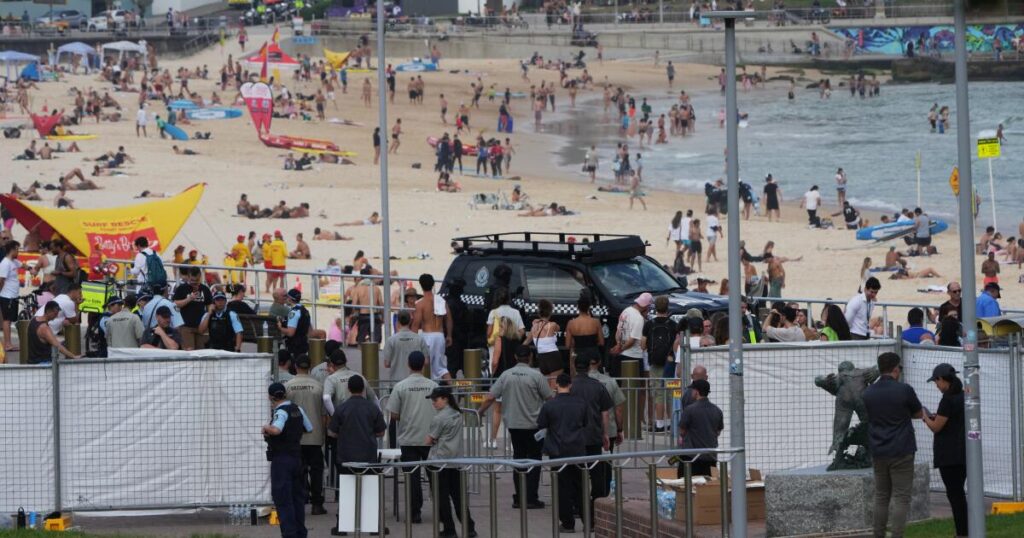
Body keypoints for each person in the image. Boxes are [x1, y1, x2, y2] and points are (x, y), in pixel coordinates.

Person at [477, 345, 552, 509]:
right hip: (534, 425)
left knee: (518, 459)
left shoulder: (506, 375)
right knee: (534, 460)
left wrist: (480, 411)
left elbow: (490, 396)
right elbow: (549, 398)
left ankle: (519, 497)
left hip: (514, 425)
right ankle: (531, 497)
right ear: (530, 357)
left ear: (515, 358)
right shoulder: (537, 376)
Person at [862, 352, 923, 538]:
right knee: (901, 497)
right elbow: (919, 413)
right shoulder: (904, 390)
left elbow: (869, 416)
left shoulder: (868, 392)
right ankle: (897, 535)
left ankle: (878, 534)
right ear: (896, 368)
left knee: (881, 496)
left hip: (879, 450)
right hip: (902, 449)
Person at [385, 351, 438, 524]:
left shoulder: (400, 387)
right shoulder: (433, 386)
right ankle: (441, 510)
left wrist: (406, 416)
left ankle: (415, 512)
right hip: (430, 437)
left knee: (412, 477)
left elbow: (393, 414)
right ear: (424, 364)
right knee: (435, 476)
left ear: (408, 364)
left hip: (408, 437)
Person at [536, 373, 588, 533]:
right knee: (581, 486)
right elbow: (585, 423)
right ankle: (588, 520)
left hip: (558, 450)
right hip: (578, 449)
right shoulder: (581, 403)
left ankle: (567, 523)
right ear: (570, 384)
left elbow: (541, 424)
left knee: (561, 488)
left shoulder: (550, 405)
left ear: (556, 385)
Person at [921, 363, 967, 538]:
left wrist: (925, 416)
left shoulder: (947, 399)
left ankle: (962, 533)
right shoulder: (963, 396)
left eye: (936, 381)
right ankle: (965, 530)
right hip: (963, 453)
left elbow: (936, 427)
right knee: (958, 494)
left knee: (955, 496)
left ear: (942, 379)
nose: (936, 385)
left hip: (949, 456)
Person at [263, 382, 314, 538]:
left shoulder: (280, 412)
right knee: (297, 498)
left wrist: (266, 428)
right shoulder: (297, 408)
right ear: (284, 394)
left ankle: (290, 534)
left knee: (283, 499)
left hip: (282, 460)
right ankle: (300, 533)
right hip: (297, 458)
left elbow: (276, 430)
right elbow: (309, 428)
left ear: (271, 397)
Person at [425, 386, 477, 538]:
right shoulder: (457, 414)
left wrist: (433, 440)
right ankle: (469, 528)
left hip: (439, 462)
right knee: (458, 497)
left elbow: (429, 440)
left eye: (435, 400)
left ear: (445, 399)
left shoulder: (439, 418)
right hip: (456, 461)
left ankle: (449, 529)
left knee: (442, 498)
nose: (433, 403)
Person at [570, 352, 614, 523]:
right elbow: (605, 414)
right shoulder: (598, 386)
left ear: (575, 366)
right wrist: (605, 434)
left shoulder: (570, 386)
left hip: (574, 437)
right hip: (594, 435)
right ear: (589, 366)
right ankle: (596, 504)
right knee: (597, 474)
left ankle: (577, 506)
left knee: (576, 473)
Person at [284, 355, 328, 516]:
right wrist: (323, 433)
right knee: (316, 470)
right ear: (310, 367)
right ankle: (317, 503)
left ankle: (300, 499)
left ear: (295, 366)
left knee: (297, 470)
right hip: (315, 435)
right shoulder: (319, 386)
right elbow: (324, 415)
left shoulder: (288, 386)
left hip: (295, 437)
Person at [327, 375, 386, 475]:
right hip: (368, 456)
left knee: (347, 487)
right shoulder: (372, 408)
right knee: (367, 487)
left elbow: (331, 433)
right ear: (363, 388)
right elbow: (381, 432)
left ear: (349, 389)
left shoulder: (341, 408)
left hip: (346, 457)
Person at [677, 379, 724, 478]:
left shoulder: (689, 410)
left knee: (687, 486)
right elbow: (718, 431)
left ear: (696, 392)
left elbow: (682, 430)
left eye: (693, 390)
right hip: (710, 457)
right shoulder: (717, 410)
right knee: (707, 487)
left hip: (691, 456)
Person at [643, 295, 676, 432]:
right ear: (668, 307)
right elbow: (676, 345)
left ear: (655, 308)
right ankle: (670, 422)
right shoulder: (673, 325)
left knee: (658, 393)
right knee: (669, 393)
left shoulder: (649, 324)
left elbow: (643, 344)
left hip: (655, 363)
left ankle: (660, 424)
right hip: (669, 363)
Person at [411, 273, 451, 380]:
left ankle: (428, 390)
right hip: (440, 335)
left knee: (425, 365)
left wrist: (413, 340)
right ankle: (454, 391)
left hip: (427, 336)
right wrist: (449, 336)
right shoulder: (441, 301)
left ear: (421, 285)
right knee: (441, 368)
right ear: (433, 284)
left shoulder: (420, 304)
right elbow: (449, 319)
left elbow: (416, 324)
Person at [382, 311, 431, 381]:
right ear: (410, 321)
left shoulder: (391, 340)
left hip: (396, 381)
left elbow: (387, 364)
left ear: (398, 322)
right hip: (415, 382)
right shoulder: (419, 339)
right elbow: (426, 361)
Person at [610, 292, 650, 378]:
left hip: (621, 355)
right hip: (633, 356)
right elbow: (632, 340)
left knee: (622, 386)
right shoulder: (638, 318)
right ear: (646, 306)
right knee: (635, 387)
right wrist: (620, 349)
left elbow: (618, 331)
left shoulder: (626, 311)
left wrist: (618, 345)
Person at [172, 266, 213, 350]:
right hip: (186, 326)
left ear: (200, 277)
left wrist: (208, 315)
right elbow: (176, 304)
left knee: (201, 352)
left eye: (197, 281)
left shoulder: (205, 289)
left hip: (201, 327)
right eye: (192, 280)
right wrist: (189, 299)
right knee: (189, 353)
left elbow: (209, 305)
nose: (194, 283)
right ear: (188, 277)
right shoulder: (182, 288)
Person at [528, 299, 562, 384]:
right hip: (553, 356)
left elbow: (527, 340)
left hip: (541, 357)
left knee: (545, 386)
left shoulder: (534, 326)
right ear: (550, 312)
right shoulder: (552, 325)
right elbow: (558, 328)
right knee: (555, 384)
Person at [0, 241, 21, 351]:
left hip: (13, 296)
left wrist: (32, 269)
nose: (18, 252)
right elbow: (1, 280)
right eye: (17, 249)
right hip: (7, 296)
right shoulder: (5, 263)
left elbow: (24, 265)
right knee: (6, 320)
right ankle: (8, 344)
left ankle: (9, 343)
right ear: (12, 249)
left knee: (10, 319)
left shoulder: (14, 261)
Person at [279, 288, 311, 355]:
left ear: (290, 299)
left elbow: (290, 333)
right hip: (304, 344)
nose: (286, 298)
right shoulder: (304, 310)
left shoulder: (293, 312)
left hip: (295, 347)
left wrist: (279, 327)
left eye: (287, 296)